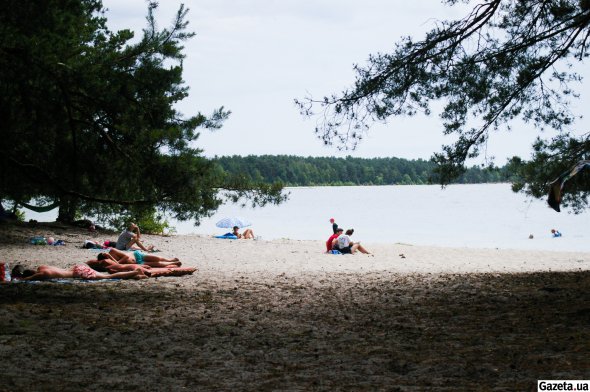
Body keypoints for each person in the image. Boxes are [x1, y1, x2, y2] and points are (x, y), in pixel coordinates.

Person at [11, 264, 146, 281]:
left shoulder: (43, 275)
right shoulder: (42, 267)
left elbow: (26, 279)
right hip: (77, 267)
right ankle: (138, 276)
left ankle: (135, 272)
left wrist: (21, 279)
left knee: (108, 276)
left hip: (77, 274)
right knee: (106, 276)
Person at [99, 248, 181, 268]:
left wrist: (111, 257)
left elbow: (126, 256)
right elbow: (118, 265)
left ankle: (169, 260)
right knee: (156, 264)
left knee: (156, 258)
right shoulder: (110, 261)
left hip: (136, 255)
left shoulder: (112, 251)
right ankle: (173, 263)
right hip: (137, 263)